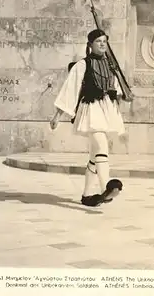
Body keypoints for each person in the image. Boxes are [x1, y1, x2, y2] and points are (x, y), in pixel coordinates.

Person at [50, 29, 125, 207]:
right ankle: (106, 186)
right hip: (91, 109)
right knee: (101, 145)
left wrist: (122, 97)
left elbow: (116, 90)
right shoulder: (83, 65)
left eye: (104, 41)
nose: (102, 44)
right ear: (90, 44)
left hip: (106, 109)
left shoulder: (110, 66)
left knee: (94, 155)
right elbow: (69, 90)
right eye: (98, 41)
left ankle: (86, 196)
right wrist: (57, 116)